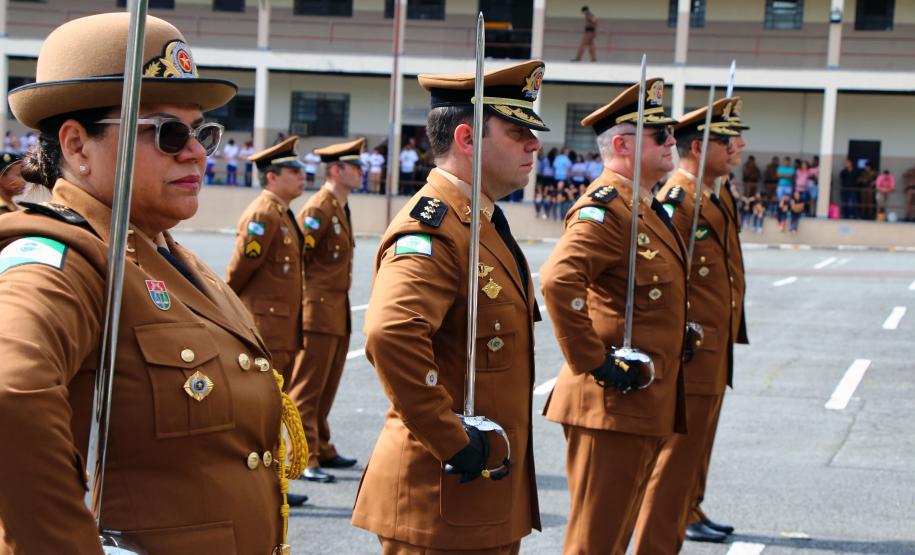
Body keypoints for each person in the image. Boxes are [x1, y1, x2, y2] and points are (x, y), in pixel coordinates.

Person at [0, 13, 306, 553]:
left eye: (201, 133)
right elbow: (9, 394)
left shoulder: (164, 251)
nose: (195, 153)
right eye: (167, 133)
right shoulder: (59, 260)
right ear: (76, 146)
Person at [352, 59, 548, 554]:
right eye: (517, 130)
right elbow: (391, 333)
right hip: (442, 498)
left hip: (479, 499)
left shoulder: (478, 222)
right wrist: (455, 442)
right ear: (466, 139)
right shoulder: (435, 227)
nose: (534, 143)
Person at [540, 78, 687, 554]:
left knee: (615, 533)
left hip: (638, 402)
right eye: (659, 135)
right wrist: (595, 361)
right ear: (622, 145)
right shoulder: (606, 209)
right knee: (595, 541)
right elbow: (559, 279)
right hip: (612, 402)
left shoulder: (643, 205)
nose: (672, 142)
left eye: (670, 134)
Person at [635, 98, 739, 551]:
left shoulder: (713, 192)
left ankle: (690, 511)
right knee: (675, 460)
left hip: (714, 346)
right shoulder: (679, 199)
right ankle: (663, 535)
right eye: (728, 141)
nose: (738, 147)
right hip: (695, 347)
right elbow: (664, 275)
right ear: (699, 147)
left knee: (693, 453)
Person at [224, 136, 311, 507]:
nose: (302, 177)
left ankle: (272, 484)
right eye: (294, 171)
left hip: (282, 328)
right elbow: (240, 271)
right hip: (266, 328)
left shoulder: (281, 213)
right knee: (261, 410)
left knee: (273, 409)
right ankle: (257, 487)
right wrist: (227, 308)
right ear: (272, 177)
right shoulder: (263, 215)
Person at [292, 137, 365, 483]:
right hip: (318, 310)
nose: (362, 172)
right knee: (307, 387)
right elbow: (299, 260)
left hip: (336, 309)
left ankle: (321, 445)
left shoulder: (339, 206)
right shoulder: (319, 207)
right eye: (356, 167)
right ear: (337, 170)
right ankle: (304, 456)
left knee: (327, 384)